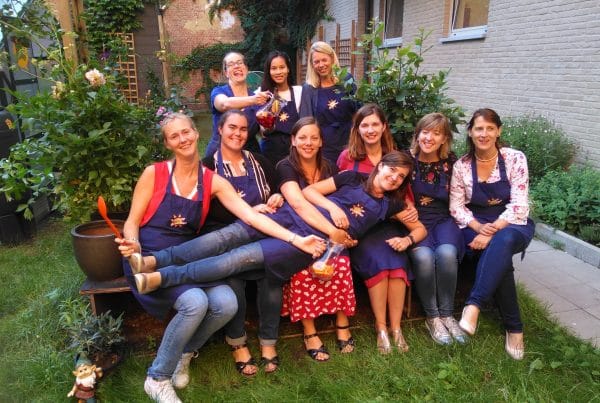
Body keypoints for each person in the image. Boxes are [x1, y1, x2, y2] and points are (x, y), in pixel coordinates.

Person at [117, 113, 323, 402]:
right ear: (167, 143)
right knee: (195, 303)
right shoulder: (155, 173)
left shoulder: (212, 180)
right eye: (174, 136)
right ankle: (158, 377)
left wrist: (295, 239)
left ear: (196, 133)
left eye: (186, 132)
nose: (183, 139)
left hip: (190, 258)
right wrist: (134, 245)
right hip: (147, 260)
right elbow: (131, 222)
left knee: (227, 304)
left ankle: (183, 354)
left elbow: (251, 217)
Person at [129, 152, 420, 324]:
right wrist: (333, 210)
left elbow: (420, 228)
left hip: (309, 243)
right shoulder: (351, 177)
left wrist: (408, 240)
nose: (394, 178)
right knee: (225, 237)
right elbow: (309, 192)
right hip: (288, 217)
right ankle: (155, 260)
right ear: (381, 165)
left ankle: (163, 277)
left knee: (236, 259)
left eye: (401, 177)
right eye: (392, 170)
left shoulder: (392, 205)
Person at [337, 104, 425, 353]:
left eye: (375, 124)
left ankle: (396, 327)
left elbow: (405, 196)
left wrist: (409, 210)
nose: (370, 130)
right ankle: (381, 327)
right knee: (378, 261)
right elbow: (342, 193)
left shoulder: (394, 157)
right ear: (357, 129)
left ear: (384, 126)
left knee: (396, 261)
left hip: (390, 221)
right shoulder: (348, 157)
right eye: (364, 125)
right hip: (360, 226)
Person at [449, 108, 535, 360]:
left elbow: (519, 204)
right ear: (470, 132)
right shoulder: (462, 166)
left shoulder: (514, 158)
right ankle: (514, 329)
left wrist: (493, 230)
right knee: (501, 258)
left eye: (490, 128)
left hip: (512, 223)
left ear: (499, 131)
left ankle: (473, 305)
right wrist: (478, 228)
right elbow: (456, 206)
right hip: (475, 224)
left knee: (502, 241)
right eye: (479, 128)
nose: (484, 134)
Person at [203, 109, 283, 375]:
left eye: (243, 129)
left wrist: (277, 197)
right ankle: (237, 342)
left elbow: (279, 189)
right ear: (220, 130)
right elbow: (205, 212)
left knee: (272, 276)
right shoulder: (208, 167)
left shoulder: (259, 161)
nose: (238, 134)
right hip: (226, 234)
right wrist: (248, 213)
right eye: (232, 128)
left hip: (263, 233)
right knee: (234, 279)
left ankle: (268, 340)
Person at [277, 117, 355, 361]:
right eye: (302, 137)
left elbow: (342, 201)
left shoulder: (329, 167)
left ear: (321, 141)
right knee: (304, 268)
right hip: (300, 230)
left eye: (314, 138)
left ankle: (342, 321)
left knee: (341, 262)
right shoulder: (285, 166)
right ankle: (309, 330)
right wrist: (332, 231)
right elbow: (297, 202)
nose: (308, 143)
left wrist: (341, 230)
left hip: (331, 230)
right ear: (293, 140)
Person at [408, 113, 467, 345]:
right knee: (423, 257)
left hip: (443, 220)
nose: (429, 137)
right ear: (417, 134)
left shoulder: (452, 163)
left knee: (447, 253)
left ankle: (447, 315)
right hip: (415, 222)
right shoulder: (406, 160)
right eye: (425, 131)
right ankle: (432, 317)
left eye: (436, 133)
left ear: (444, 139)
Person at [299, 41, 358, 163]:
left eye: (324, 60)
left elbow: (358, 110)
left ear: (332, 59)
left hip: (349, 143)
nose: (321, 65)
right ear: (312, 64)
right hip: (324, 148)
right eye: (316, 62)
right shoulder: (309, 88)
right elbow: (306, 121)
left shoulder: (346, 79)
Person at [205, 51, 271, 157]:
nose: (236, 66)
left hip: (249, 155)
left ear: (246, 69)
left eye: (240, 63)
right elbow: (224, 104)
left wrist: (269, 123)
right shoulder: (219, 92)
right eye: (231, 64)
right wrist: (254, 100)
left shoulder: (257, 100)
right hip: (220, 154)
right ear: (226, 73)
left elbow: (263, 132)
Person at [256, 50, 302, 163]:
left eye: (282, 67)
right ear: (268, 71)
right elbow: (260, 130)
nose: (278, 72)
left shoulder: (299, 92)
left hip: (294, 150)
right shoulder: (261, 93)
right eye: (274, 68)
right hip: (269, 151)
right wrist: (266, 123)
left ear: (288, 69)